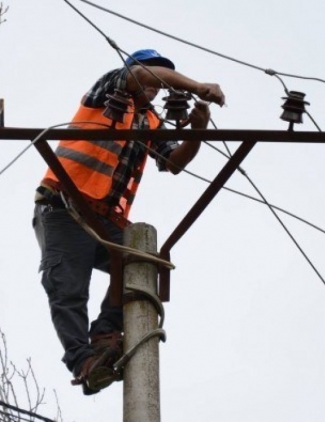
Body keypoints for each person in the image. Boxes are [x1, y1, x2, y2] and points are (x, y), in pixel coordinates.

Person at [32, 49, 225, 395]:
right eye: (155, 76)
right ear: (136, 72)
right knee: (68, 287)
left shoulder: (150, 121)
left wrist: (197, 130)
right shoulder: (108, 90)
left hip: (104, 219)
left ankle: (106, 334)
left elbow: (174, 162)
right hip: (64, 205)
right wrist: (197, 86)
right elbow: (143, 77)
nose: (158, 86)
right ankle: (84, 362)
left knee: (142, 268)